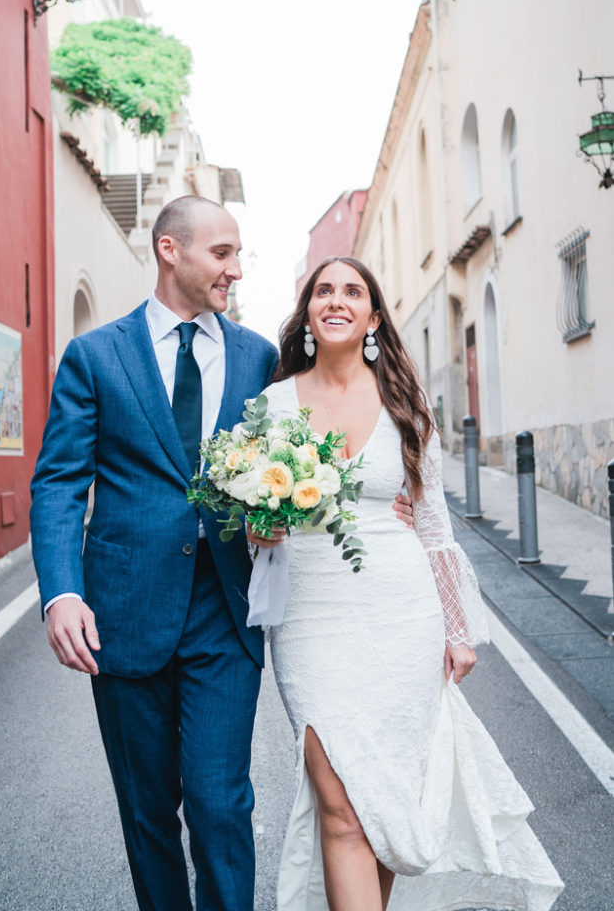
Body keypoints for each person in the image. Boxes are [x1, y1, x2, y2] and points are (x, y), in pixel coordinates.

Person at [30, 195, 417, 911]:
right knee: (148, 815)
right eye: (222, 254)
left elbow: (303, 449)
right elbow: (57, 482)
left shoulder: (256, 360)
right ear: (170, 251)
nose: (235, 270)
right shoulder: (94, 355)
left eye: (238, 255)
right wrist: (63, 591)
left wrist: (362, 498)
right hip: (122, 613)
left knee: (219, 804)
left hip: (225, 613)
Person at [249, 256, 563, 911]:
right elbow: (252, 515)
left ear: (372, 316)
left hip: (401, 617)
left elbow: (433, 522)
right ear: (307, 312)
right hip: (308, 617)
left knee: (383, 804)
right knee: (339, 805)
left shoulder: (404, 403)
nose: (336, 300)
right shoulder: (273, 404)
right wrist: (259, 527)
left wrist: (457, 630)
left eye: (352, 291)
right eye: (323, 290)